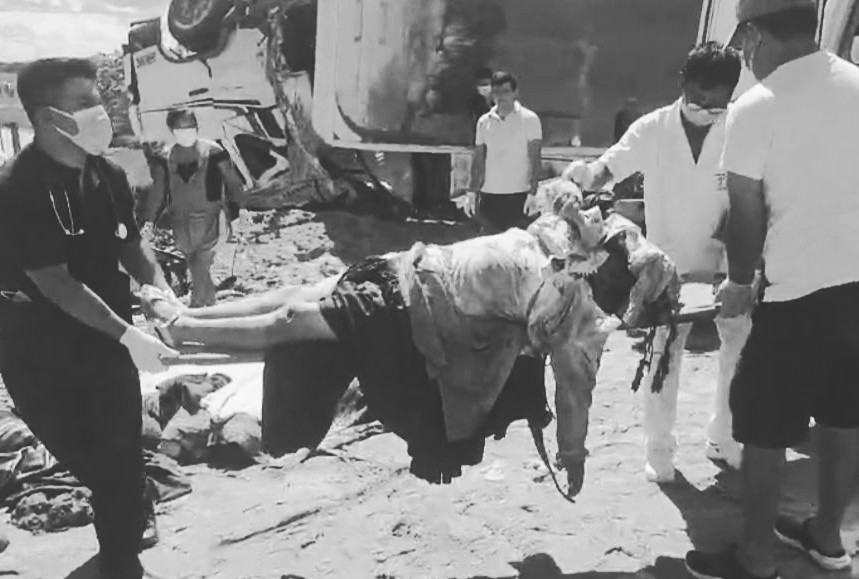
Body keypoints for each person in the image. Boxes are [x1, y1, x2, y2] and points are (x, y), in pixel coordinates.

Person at [140, 180, 680, 494]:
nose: (614, 283)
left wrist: (573, 454)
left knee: (294, 322)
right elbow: (561, 196)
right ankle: (189, 317)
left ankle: (184, 331)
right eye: (619, 270)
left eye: (625, 287)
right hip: (410, 268)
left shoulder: (579, 321)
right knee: (294, 297)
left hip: (411, 311)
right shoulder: (567, 237)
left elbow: (574, 393)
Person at [684, 0, 859, 579]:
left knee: (761, 423)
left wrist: (739, 284)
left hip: (811, 292)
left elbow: (747, 212)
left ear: (756, 35)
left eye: (744, 44)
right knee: (844, 415)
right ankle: (826, 538)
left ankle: (756, 562)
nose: (745, 56)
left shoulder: (757, 106)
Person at [0, 57, 182, 579]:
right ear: (49, 116)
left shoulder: (107, 174)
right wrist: (130, 336)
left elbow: (130, 244)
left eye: (99, 99)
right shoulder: (14, 189)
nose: (101, 112)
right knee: (92, 462)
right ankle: (127, 511)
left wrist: (158, 290)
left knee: (120, 460)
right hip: (40, 359)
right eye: (85, 103)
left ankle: (122, 573)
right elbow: (56, 283)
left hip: (106, 349)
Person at [565, 42, 745, 481]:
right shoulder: (653, 129)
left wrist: (738, 257)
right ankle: (660, 450)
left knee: (739, 353)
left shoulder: (742, 128)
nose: (707, 110)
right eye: (699, 99)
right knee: (664, 356)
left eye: (718, 104)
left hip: (730, 265)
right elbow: (608, 168)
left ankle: (725, 436)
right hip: (668, 269)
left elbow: (755, 194)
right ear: (683, 84)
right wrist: (583, 178)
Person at [141, 108, 245, 308]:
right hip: (181, 223)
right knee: (196, 266)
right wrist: (149, 221)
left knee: (201, 265)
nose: (187, 131)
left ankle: (198, 309)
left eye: (190, 126)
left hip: (211, 219)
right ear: (172, 129)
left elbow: (233, 183)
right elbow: (158, 193)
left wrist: (241, 210)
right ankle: (209, 309)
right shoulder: (164, 158)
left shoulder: (214, 152)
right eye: (181, 127)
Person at [464, 71, 543, 232]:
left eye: (506, 91)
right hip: (490, 196)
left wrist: (533, 193)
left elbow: (535, 159)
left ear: (515, 93)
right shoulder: (484, 122)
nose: (501, 97)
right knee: (489, 243)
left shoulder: (530, 120)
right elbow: (478, 160)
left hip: (519, 196)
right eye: (497, 92)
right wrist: (471, 192)